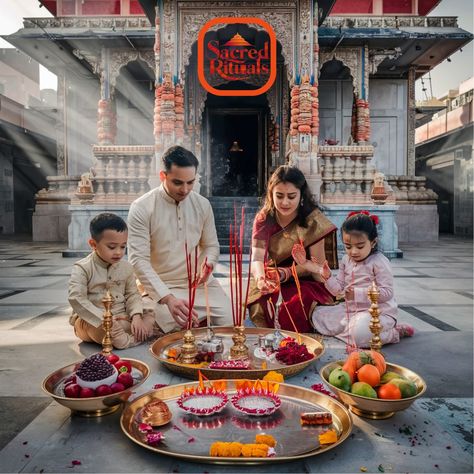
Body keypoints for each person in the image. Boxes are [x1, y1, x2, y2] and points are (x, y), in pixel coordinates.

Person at [127, 145, 231, 333]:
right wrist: (168, 298)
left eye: (190, 182)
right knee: (165, 322)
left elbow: (211, 245)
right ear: (162, 176)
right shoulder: (142, 207)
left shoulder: (202, 204)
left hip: (198, 284)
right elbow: (138, 261)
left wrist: (208, 264)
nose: (185, 189)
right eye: (177, 183)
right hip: (160, 286)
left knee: (230, 317)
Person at [246, 165, 338, 332]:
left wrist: (287, 273)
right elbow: (257, 258)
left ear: (301, 195)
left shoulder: (313, 221)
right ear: (271, 194)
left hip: (304, 279)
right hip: (271, 278)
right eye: (279, 196)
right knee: (262, 305)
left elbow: (317, 267)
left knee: (296, 304)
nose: (285, 202)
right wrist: (260, 280)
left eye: (291, 196)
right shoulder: (264, 218)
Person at [308, 210, 414, 347]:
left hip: (378, 314)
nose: (353, 252)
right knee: (317, 316)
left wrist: (358, 294)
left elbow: (387, 293)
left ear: (373, 242)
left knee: (360, 333)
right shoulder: (346, 260)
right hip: (351, 311)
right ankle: (350, 330)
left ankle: (393, 333)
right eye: (348, 246)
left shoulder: (379, 261)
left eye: (360, 246)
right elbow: (338, 288)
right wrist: (328, 277)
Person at [68, 213, 159, 349]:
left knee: (153, 312)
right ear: (93, 244)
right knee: (109, 331)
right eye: (112, 247)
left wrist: (136, 316)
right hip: (93, 323)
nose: (118, 252)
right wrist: (106, 320)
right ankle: (132, 339)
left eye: (123, 247)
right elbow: (76, 299)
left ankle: (131, 333)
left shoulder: (126, 267)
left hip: (122, 317)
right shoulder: (82, 268)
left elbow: (133, 294)